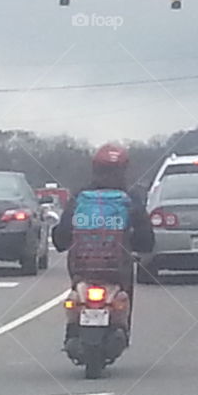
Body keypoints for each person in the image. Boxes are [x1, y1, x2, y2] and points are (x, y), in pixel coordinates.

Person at [52, 144, 154, 342]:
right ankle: (122, 329)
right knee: (124, 291)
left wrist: (62, 241)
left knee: (76, 290)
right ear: (124, 170)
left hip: (81, 266)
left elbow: (62, 234)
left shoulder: (81, 197)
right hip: (118, 268)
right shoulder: (130, 198)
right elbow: (146, 238)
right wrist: (140, 246)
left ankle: (72, 329)